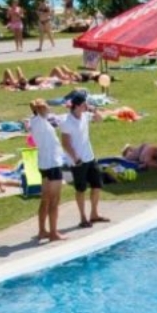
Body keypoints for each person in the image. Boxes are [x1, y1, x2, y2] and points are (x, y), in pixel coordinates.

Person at [60, 93, 106, 227]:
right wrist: (76, 158)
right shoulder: (67, 122)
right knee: (81, 189)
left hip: (90, 157)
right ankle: (83, 217)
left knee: (97, 186)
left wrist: (94, 110)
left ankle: (94, 214)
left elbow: (100, 119)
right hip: (77, 161)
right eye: (85, 104)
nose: (87, 105)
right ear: (77, 106)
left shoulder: (85, 115)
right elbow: (65, 143)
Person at [28, 99, 66, 242]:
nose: (49, 108)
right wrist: (40, 106)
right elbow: (41, 107)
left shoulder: (34, 121)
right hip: (52, 164)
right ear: (41, 109)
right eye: (47, 107)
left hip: (44, 164)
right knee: (54, 200)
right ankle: (54, 233)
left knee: (45, 199)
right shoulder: (41, 122)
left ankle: (42, 230)